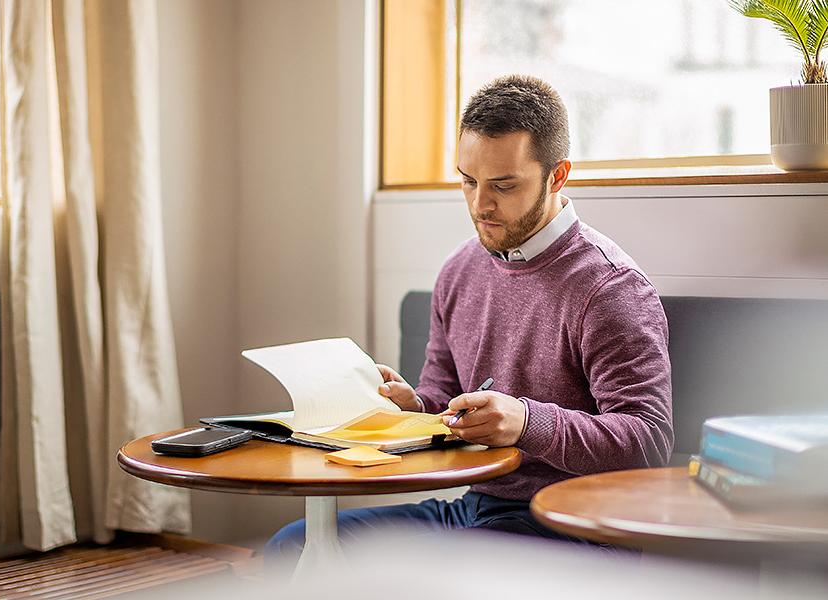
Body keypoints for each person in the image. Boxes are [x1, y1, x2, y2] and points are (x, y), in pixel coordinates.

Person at [266, 74, 673, 563]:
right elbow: (442, 400)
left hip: (574, 529)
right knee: (294, 546)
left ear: (558, 175)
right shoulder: (460, 270)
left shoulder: (610, 288)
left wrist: (527, 422)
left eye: (503, 185)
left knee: (408, 571)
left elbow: (648, 440)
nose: (480, 205)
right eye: (468, 180)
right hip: (475, 507)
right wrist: (412, 408)